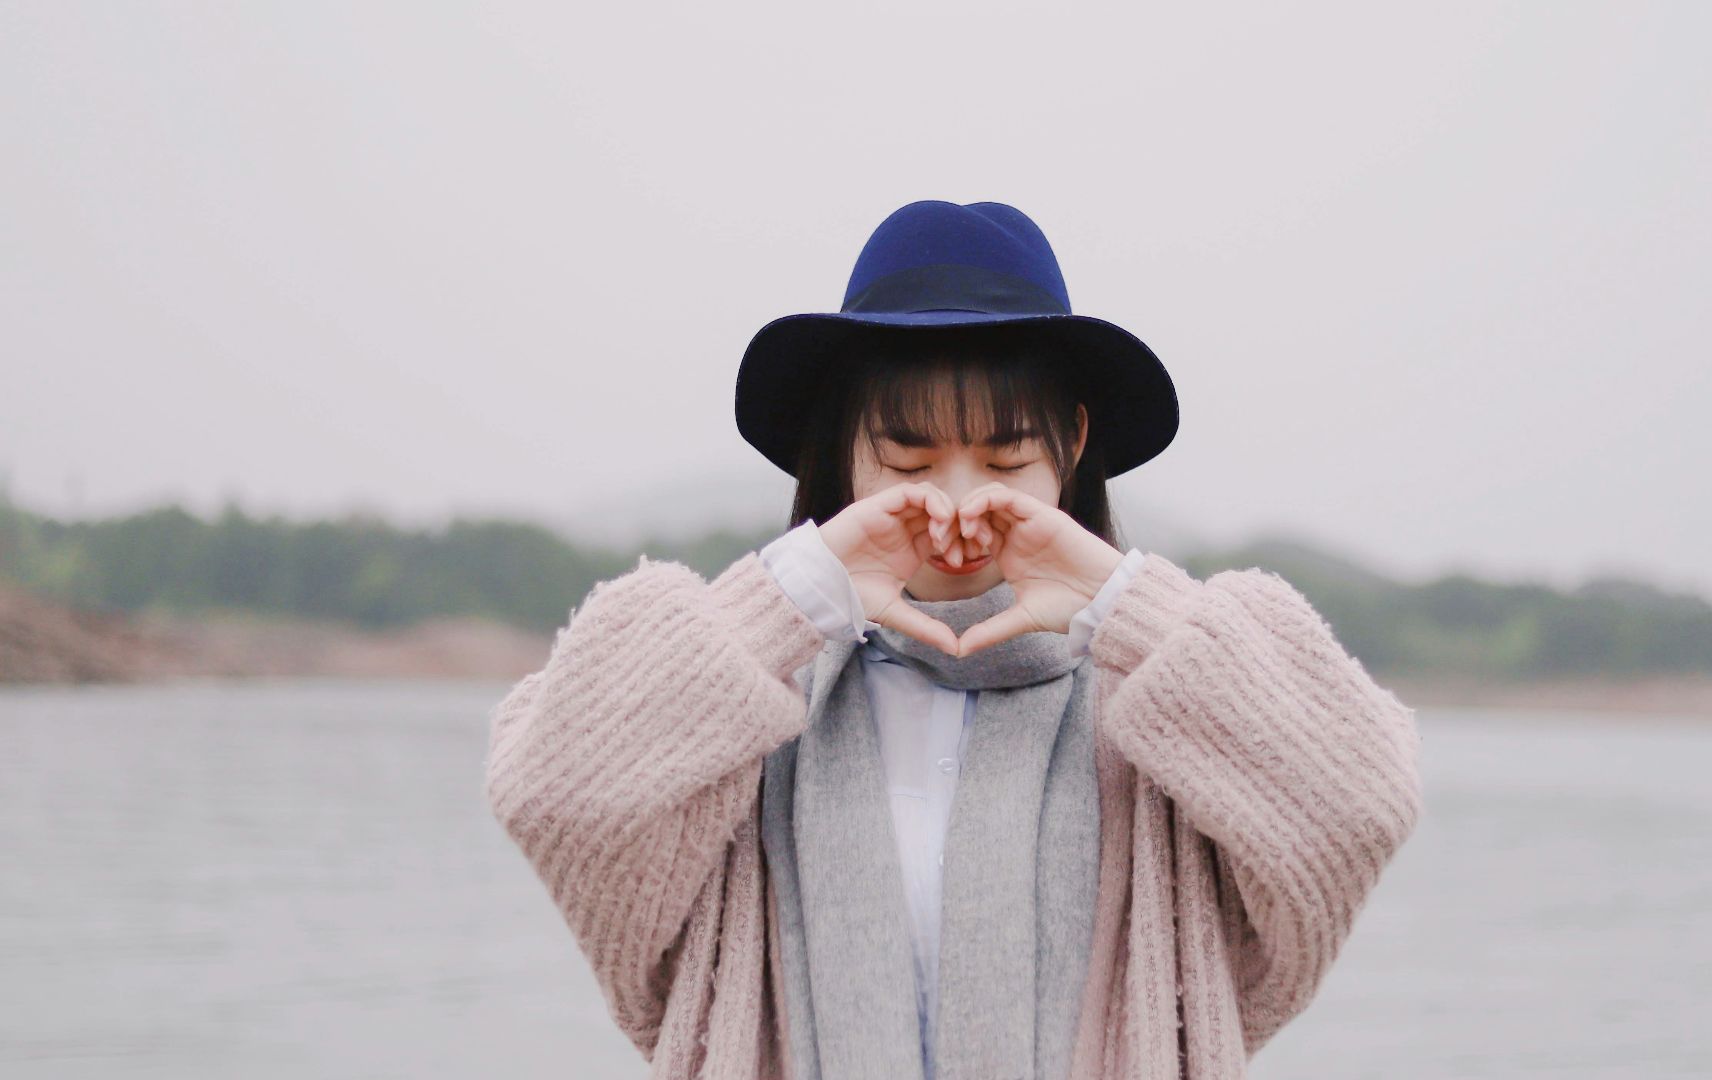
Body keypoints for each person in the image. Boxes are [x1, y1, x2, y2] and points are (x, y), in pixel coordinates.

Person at [484, 200, 1423, 1080]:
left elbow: (1362, 800)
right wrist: (795, 597)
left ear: (1074, 444)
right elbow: (554, 793)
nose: (960, 505)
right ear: (844, 448)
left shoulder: (1159, 712)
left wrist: (1121, 602)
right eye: (908, 459)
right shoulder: (749, 705)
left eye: (1008, 459)